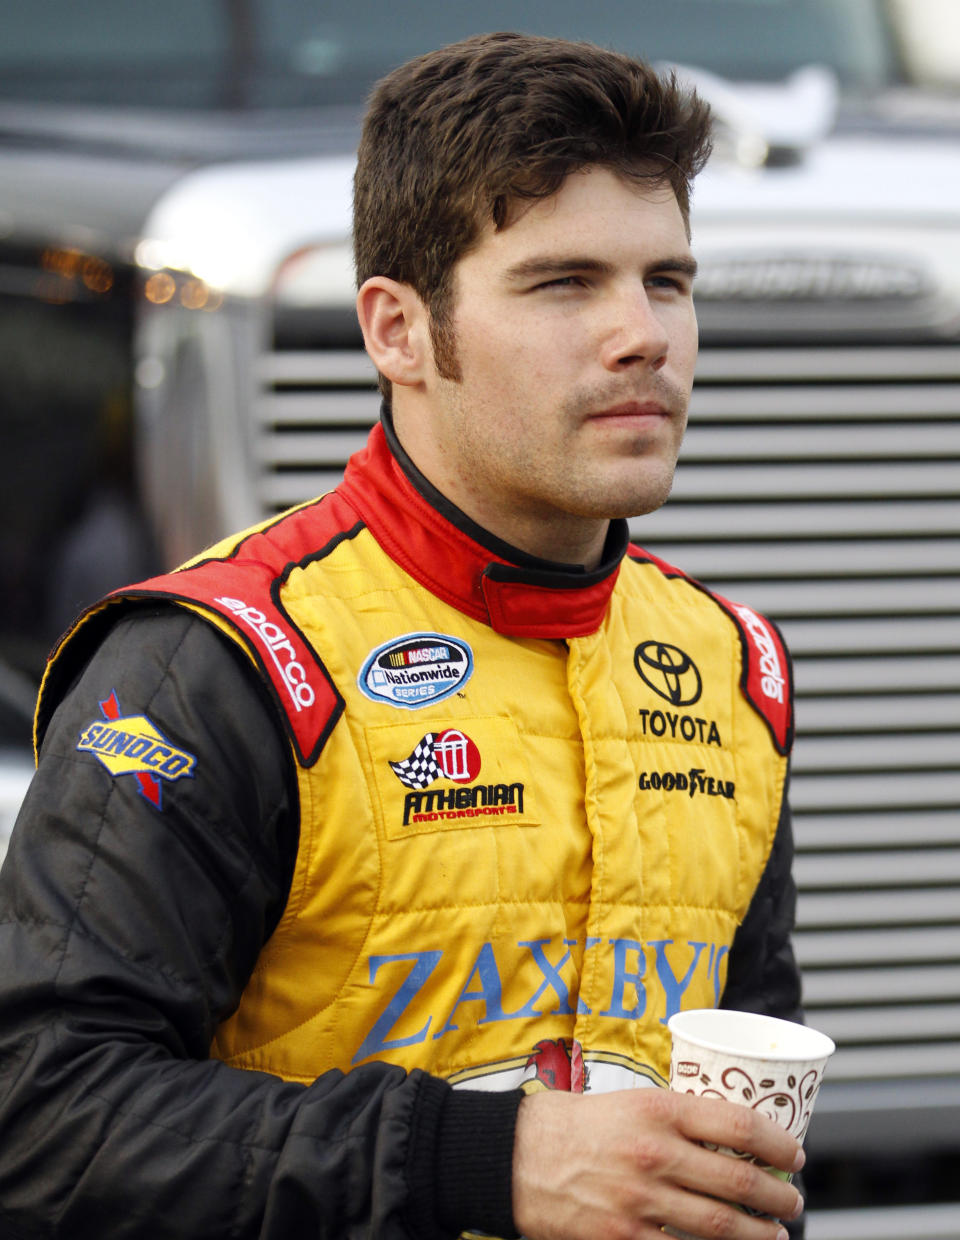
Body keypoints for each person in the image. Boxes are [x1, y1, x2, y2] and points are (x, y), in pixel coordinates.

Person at [0, 32, 806, 1240]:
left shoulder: (729, 667)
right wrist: (484, 1161)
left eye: (667, 281)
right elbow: (40, 1119)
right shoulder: (214, 663)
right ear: (397, 330)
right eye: (563, 283)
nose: (644, 335)